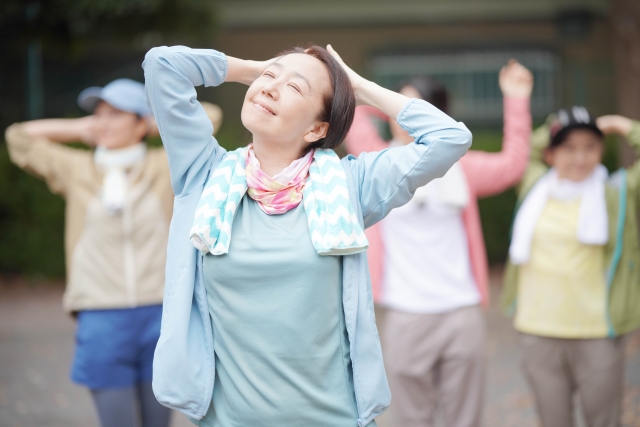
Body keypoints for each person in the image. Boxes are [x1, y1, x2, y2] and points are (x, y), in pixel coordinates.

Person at [142, 43, 472, 426]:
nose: (270, 87)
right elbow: (162, 65)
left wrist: (360, 89)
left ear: (318, 128)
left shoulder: (350, 187)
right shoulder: (204, 175)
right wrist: (256, 70)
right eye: (269, 78)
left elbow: (449, 138)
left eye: (295, 88)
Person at [5, 79, 222, 427]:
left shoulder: (163, 165)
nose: (102, 121)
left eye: (115, 114)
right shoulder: (77, 169)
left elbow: (210, 117)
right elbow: (18, 137)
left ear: (141, 122)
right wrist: (81, 129)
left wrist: (151, 123)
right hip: (101, 317)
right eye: (98, 114)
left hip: (162, 313)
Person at [343, 60, 533, 427]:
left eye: (412, 109)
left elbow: (513, 165)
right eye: (397, 108)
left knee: (464, 417)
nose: (400, 117)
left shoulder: (462, 165)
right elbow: (352, 114)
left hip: (461, 311)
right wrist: (372, 93)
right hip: (404, 313)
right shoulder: (377, 163)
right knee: (411, 417)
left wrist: (516, 100)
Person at [501, 108, 640, 427]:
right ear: (551, 153)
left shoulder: (615, 192)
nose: (580, 157)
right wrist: (561, 122)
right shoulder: (534, 183)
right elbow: (524, 150)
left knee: (604, 421)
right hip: (538, 330)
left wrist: (622, 126)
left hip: (596, 333)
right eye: (568, 147)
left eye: (590, 146)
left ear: (601, 150)